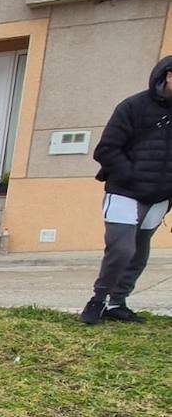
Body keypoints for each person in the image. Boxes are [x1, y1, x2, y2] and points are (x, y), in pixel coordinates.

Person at [81, 55, 172, 324]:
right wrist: (131, 176)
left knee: (140, 252)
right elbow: (106, 149)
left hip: (160, 197)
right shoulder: (134, 106)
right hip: (125, 192)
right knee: (122, 249)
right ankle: (98, 301)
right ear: (168, 75)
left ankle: (117, 302)